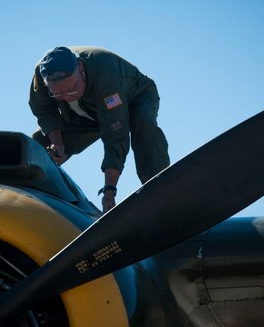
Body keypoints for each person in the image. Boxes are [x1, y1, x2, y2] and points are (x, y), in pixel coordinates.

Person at [28, 46, 170, 212]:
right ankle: (29, 193)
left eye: (71, 89)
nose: (67, 97)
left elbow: (116, 137)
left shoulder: (107, 79)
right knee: (38, 147)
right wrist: (57, 143)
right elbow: (44, 110)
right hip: (86, 111)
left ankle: (161, 191)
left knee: (143, 125)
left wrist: (109, 191)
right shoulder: (41, 73)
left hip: (135, 98)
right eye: (58, 95)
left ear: (80, 68)